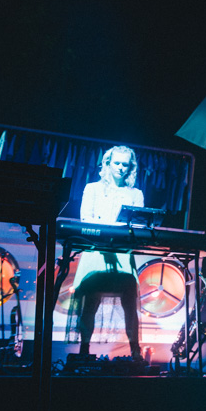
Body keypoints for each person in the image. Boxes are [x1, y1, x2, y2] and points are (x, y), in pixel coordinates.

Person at [71, 145, 145, 360]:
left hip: (122, 254)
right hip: (96, 252)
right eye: (117, 163)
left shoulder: (135, 194)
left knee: (130, 304)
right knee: (91, 303)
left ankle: (136, 351)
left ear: (131, 167)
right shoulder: (92, 188)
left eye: (125, 164)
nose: (121, 168)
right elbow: (86, 219)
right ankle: (84, 351)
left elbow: (138, 225)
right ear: (108, 164)